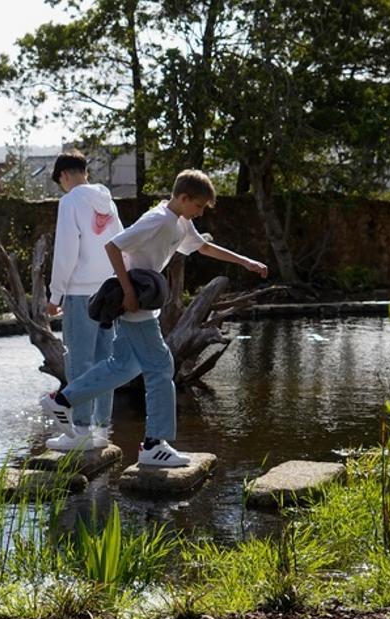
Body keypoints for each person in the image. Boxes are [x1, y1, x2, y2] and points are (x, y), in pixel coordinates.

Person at [39, 169, 268, 467]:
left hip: (141, 301)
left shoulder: (180, 221)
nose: (200, 213)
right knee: (161, 367)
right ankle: (154, 445)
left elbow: (203, 246)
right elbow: (113, 246)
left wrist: (245, 261)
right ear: (183, 197)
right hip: (136, 303)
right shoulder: (157, 219)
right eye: (198, 206)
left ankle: (62, 400)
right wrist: (127, 292)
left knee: (123, 366)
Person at [44, 150, 123, 451]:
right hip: (109, 291)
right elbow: (122, 242)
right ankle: (102, 430)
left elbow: (66, 251)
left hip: (80, 292)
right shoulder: (108, 202)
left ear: (64, 175)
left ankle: (79, 430)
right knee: (105, 362)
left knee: (79, 361)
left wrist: (55, 294)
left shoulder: (70, 201)